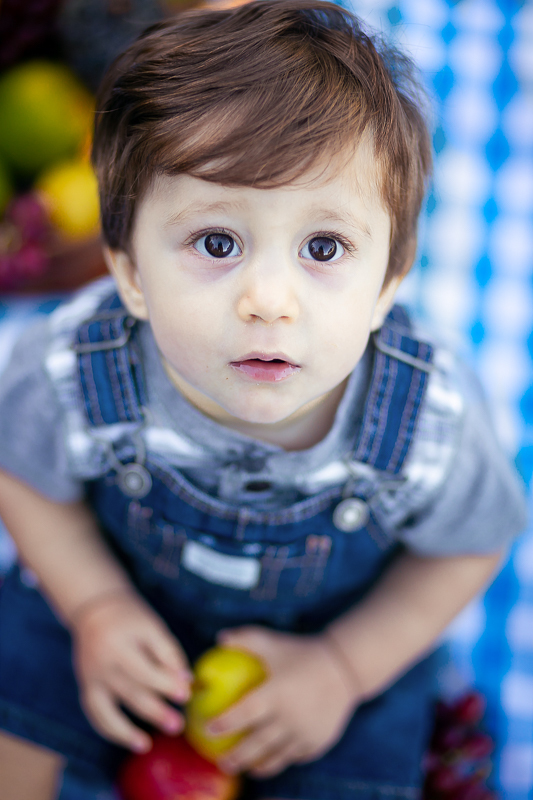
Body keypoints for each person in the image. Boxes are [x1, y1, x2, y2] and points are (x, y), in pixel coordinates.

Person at [0, 2, 527, 798]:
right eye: (217, 243)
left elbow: (467, 545)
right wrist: (95, 604)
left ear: (388, 283)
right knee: (17, 722)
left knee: (366, 760)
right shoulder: (75, 365)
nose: (269, 300)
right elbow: (23, 475)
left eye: (324, 247)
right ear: (131, 272)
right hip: (115, 606)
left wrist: (344, 667)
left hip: (329, 646)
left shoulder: (428, 417)